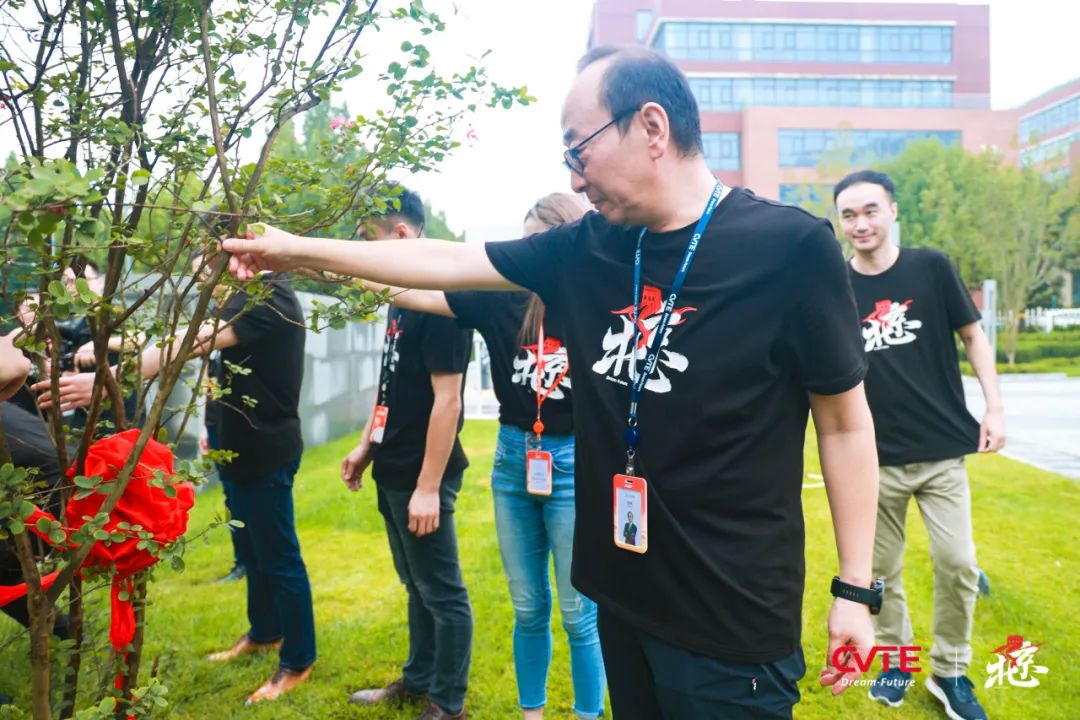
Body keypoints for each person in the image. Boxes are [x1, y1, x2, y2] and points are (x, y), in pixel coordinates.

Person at [225, 46, 881, 719]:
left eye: (580, 148)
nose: (573, 174)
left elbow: (845, 424)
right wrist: (293, 250)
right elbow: (445, 260)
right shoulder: (589, 246)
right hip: (625, 598)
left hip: (731, 625)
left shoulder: (789, 249)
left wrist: (855, 589)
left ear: (652, 127)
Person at [355, 192, 606, 720]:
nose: (531, 256)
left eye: (541, 244)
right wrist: (324, 261)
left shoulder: (594, 303)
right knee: (528, 607)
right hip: (514, 462)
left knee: (578, 613)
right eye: (526, 244)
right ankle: (532, 715)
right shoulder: (498, 299)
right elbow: (410, 289)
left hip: (572, 462)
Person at [33, 259, 315, 706]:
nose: (201, 275)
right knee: (256, 552)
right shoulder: (247, 297)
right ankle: (265, 632)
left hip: (266, 451)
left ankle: (298, 661)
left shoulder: (268, 297)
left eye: (206, 262)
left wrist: (110, 378)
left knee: (279, 556)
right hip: (241, 446)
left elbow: (190, 341)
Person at [834, 170, 1004, 720]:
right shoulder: (837, 286)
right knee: (881, 574)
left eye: (870, 210)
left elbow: (973, 336)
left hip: (941, 452)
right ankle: (896, 661)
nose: (861, 223)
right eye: (849, 215)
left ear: (893, 211)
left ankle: (950, 671)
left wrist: (994, 407)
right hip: (874, 461)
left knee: (958, 562)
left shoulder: (930, 267)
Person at [339, 187, 475, 720]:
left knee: (442, 592)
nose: (366, 249)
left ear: (399, 233)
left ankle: (448, 703)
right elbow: (391, 385)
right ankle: (418, 682)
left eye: (369, 238)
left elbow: (449, 401)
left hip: (424, 476)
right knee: (415, 585)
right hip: (393, 467)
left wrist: (428, 487)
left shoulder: (441, 300)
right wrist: (366, 446)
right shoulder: (401, 297)